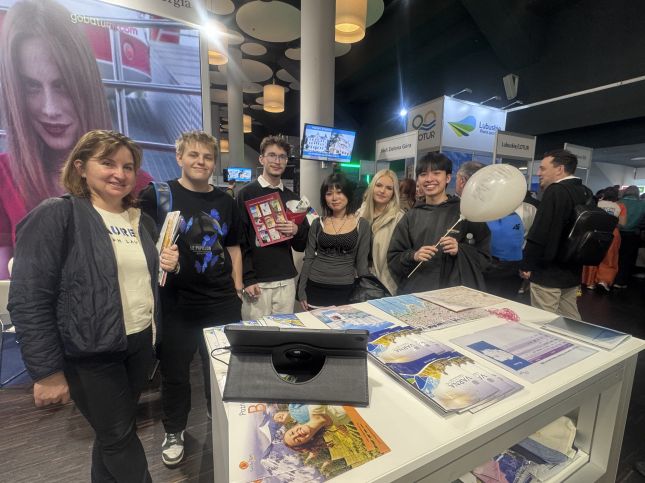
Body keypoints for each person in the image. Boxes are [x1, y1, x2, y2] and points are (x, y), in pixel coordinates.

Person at [7, 130, 178, 483]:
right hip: (90, 352)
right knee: (119, 438)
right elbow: (29, 297)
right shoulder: (59, 214)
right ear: (81, 167)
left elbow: (140, 282)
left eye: (128, 167)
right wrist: (46, 372)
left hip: (138, 343)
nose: (120, 173)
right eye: (108, 163)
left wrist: (168, 265)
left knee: (113, 434)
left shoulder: (141, 221)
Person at [0, 0, 152, 279]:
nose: (50, 109)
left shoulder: (137, 185)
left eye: (62, 85)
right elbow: (5, 282)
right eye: (32, 86)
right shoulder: (5, 175)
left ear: (84, 83)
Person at [139, 131, 244, 467]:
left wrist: (237, 287)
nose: (201, 161)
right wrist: (159, 258)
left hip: (222, 301)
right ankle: (174, 430)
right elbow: (139, 242)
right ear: (179, 157)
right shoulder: (158, 196)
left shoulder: (226, 201)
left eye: (208, 157)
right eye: (194, 155)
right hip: (177, 304)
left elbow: (233, 247)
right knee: (175, 374)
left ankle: (220, 415)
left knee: (222, 367)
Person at [388, 152, 491, 294]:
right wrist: (414, 255)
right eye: (423, 174)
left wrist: (460, 250)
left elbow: (485, 258)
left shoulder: (466, 213)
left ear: (448, 177)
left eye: (436, 173)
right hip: (417, 293)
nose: (429, 179)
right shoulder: (411, 216)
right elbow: (394, 256)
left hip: (454, 294)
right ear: (418, 180)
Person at [236, 135, 308, 319]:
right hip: (257, 281)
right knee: (256, 332)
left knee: (284, 330)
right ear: (262, 159)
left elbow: (302, 244)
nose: (277, 161)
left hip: (285, 279)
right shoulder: (246, 194)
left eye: (282, 156)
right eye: (272, 155)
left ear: (287, 161)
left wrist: (296, 230)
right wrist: (247, 278)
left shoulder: (293, 198)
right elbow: (240, 240)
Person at [519, 149, 591, 319]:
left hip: (548, 272)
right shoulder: (585, 192)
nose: (538, 173)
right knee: (570, 318)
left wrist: (527, 264)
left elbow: (540, 232)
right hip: (572, 270)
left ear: (559, 169)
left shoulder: (555, 191)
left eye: (543, 168)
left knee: (544, 319)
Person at [297, 173, 370, 309]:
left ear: (348, 194)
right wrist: (301, 291)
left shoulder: (362, 225)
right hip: (316, 287)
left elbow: (362, 265)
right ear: (324, 197)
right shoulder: (317, 223)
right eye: (329, 194)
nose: (335, 198)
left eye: (339, 192)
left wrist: (365, 293)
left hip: (346, 289)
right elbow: (309, 258)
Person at [358, 169, 404, 295]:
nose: (382, 191)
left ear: (394, 193)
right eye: (379, 185)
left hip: (384, 284)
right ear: (372, 187)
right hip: (359, 280)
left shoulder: (399, 218)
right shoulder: (360, 213)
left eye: (389, 188)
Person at [582, 187, 625, 291]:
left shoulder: (597, 204)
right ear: (617, 196)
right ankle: (603, 281)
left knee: (592, 256)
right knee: (609, 258)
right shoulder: (620, 206)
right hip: (612, 233)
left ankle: (590, 282)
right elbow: (622, 224)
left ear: (604, 194)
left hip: (596, 231)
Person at [614, 185, 645, 288]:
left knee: (615, 257)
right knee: (627, 259)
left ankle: (610, 279)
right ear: (637, 193)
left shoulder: (617, 203)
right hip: (633, 235)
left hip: (617, 234)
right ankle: (621, 281)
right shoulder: (643, 204)